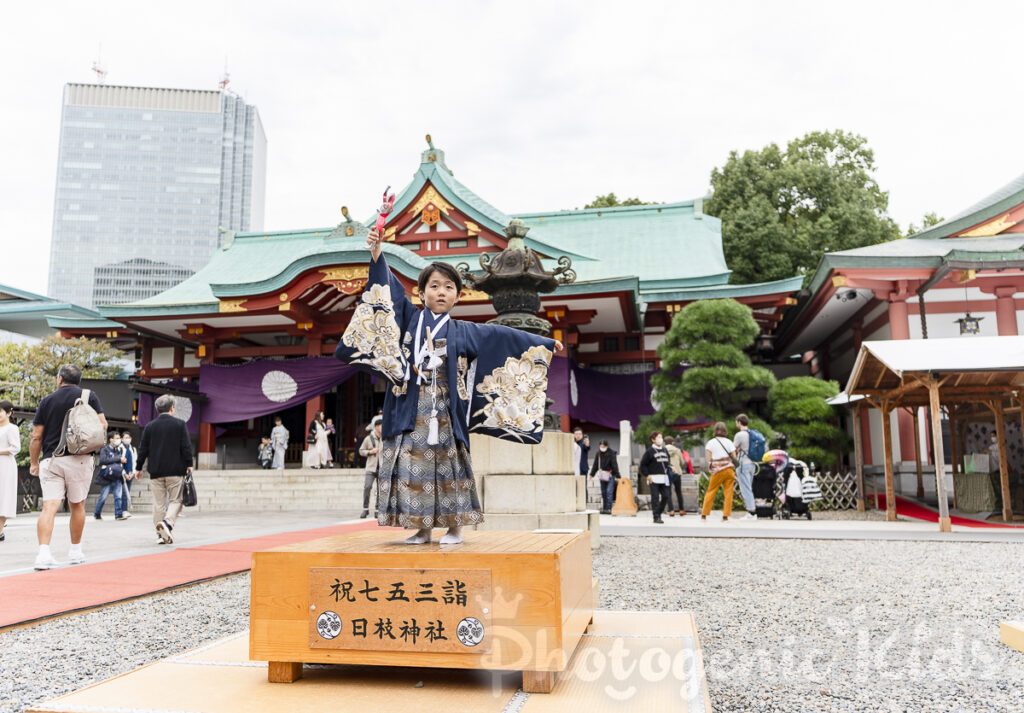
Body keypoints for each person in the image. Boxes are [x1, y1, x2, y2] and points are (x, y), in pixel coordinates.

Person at [335, 227, 561, 545]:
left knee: (449, 467)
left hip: (444, 409)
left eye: (448, 287)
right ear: (422, 292)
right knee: (413, 467)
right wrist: (376, 254)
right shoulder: (410, 319)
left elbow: (503, 336)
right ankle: (422, 527)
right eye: (434, 286)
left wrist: (543, 344)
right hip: (411, 408)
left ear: (458, 295)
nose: (441, 292)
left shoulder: (463, 330)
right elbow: (388, 291)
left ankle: (455, 527)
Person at [30, 364, 107, 569]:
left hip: (51, 459)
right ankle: (75, 552)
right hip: (79, 458)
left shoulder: (47, 400)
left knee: (49, 506)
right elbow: (103, 425)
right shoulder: (89, 396)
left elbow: (36, 436)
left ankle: (43, 554)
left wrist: (34, 462)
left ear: (59, 379)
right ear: (78, 380)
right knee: (77, 505)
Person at [135, 394, 193, 545]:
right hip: (175, 470)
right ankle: (167, 524)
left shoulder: (150, 426)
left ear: (157, 409)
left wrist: (138, 467)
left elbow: (143, 449)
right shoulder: (180, 424)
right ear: (172, 408)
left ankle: (160, 535)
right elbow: (186, 446)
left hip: (156, 471)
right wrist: (189, 463)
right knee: (176, 500)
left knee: (158, 504)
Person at [703, 422, 737, 522]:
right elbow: (734, 457)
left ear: (715, 430)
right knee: (728, 493)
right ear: (725, 430)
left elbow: (709, 458)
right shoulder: (729, 442)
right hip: (729, 470)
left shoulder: (711, 442)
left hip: (717, 471)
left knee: (711, 491)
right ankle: (725, 516)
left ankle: (704, 515)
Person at [93, 432, 127, 521]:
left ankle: (118, 514)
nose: (118, 440)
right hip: (107, 476)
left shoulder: (119, 450)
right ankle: (97, 513)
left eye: (119, 438)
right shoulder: (104, 449)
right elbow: (103, 460)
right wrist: (118, 459)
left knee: (118, 496)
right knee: (103, 497)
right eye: (117, 438)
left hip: (117, 476)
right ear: (111, 439)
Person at [639, 431, 671, 524]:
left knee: (666, 496)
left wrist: (671, 467)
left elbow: (667, 461)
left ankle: (659, 512)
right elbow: (643, 465)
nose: (660, 439)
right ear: (653, 440)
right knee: (655, 497)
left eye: (661, 437)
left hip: (664, 477)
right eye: (658, 437)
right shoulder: (649, 451)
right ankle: (656, 517)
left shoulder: (665, 450)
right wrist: (647, 475)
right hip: (653, 478)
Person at [0, 400, 20, 542]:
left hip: (5, 465)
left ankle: (0, 529)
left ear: (8, 413)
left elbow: (15, 448)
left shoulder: (12, 428)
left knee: (4, 496)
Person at [732, 414, 758, 521]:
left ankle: (751, 512)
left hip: (743, 464)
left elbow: (734, 449)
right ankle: (751, 511)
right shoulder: (753, 434)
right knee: (749, 487)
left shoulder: (739, 435)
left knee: (745, 488)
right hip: (752, 464)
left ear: (739, 422)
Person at [358, 415, 383, 519]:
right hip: (370, 467)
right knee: (367, 487)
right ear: (376, 427)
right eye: (381, 426)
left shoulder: (385, 438)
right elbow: (360, 451)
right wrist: (369, 452)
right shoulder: (368, 438)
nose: (383, 428)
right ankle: (365, 509)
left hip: (381, 467)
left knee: (380, 490)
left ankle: (377, 510)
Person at [588, 439, 620, 514]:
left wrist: (618, 475)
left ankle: (609, 508)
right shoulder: (598, 454)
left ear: (607, 446)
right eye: (601, 446)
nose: (602, 447)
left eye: (603, 446)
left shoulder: (612, 453)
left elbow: (615, 465)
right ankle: (605, 508)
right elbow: (595, 464)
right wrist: (591, 474)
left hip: (610, 475)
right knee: (603, 492)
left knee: (609, 491)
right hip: (602, 475)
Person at [663, 435, 692, 516]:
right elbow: (682, 462)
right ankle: (681, 510)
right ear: (673, 442)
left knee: (668, 491)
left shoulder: (663, 450)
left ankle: (671, 510)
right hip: (677, 472)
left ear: (664, 443)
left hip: (667, 473)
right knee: (678, 491)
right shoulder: (677, 450)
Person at [119, 430, 137, 515]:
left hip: (130, 473)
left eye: (129, 438)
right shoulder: (119, 448)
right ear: (122, 439)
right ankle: (123, 510)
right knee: (123, 492)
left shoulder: (133, 449)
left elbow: (135, 462)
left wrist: (132, 473)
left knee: (127, 491)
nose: (127, 439)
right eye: (126, 438)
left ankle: (124, 510)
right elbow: (119, 463)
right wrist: (124, 474)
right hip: (122, 474)